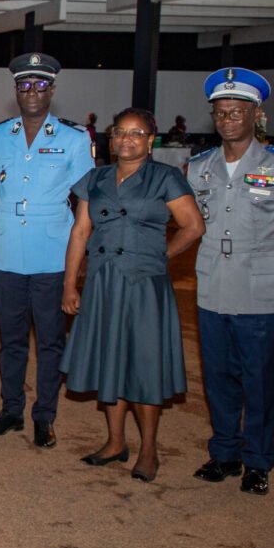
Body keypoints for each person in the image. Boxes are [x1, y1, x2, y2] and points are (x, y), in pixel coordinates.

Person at [188, 67, 274, 496]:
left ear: (255, 114)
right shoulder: (198, 167)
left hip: (262, 291)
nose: (228, 120)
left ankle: (258, 460)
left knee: (259, 379)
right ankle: (224, 454)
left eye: (237, 112)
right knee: (218, 376)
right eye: (221, 113)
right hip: (212, 286)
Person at [60, 108, 205, 482]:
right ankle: (115, 442)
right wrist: (70, 283)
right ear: (112, 138)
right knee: (111, 360)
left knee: (144, 366)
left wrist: (162, 254)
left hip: (145, 285)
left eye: (136, 133)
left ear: (150, 139)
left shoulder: (166, 178)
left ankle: (149, 450)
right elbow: (80, 232)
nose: (127, 139)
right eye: (120, 132)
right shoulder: (97, 178)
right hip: (103, 283)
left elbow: (192, 226)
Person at [0, 52, 95, 448]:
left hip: (53, 254)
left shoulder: (74, 138)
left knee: (50, 341)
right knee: (11, 340)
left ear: (52, 90)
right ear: (15, 91)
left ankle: (44, 415)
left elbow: (86, 205)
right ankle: (10, 409)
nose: (32, 92)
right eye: (24, 85)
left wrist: (77, 262)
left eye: (40, 85)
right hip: (8, 249)